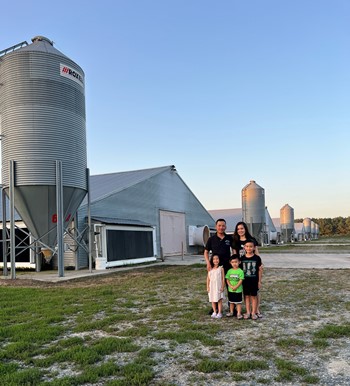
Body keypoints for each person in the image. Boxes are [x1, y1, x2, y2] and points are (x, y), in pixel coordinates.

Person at [232, 221, 263, 318]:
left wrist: (260, 264)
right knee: (246, 294)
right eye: (238, 229)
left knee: (255, 293)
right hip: (242, 269)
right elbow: (234, 256)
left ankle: (256, 310)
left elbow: (257, 253)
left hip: (253, 268)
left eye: (242, 228)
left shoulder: (251, 239)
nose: (240, 230)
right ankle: (248, 311)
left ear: (245, 229)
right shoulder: (235, 241)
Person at [204, 218, 233, 314]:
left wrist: (235, 263)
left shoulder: (229, 238)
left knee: (229, 286)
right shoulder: (211, 239)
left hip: (227, 266)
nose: (221, 227)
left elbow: (234, 250)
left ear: (226, 227)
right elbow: (206, 251)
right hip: (215, 268)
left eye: (223, 226)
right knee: (215, 287)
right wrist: (208, 262)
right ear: (216, 227)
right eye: (219, 225)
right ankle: (215, 308)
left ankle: (232, 307)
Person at [240, 240, 262, 320]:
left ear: (254, 248)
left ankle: (253, 312)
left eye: (251, 246)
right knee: (246, 296)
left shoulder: (257, 258)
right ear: (244, 248)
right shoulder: (242, 258)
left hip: (254, 281)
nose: (249, 248)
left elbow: (260, 270)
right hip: (245, 281)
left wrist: (259, 281)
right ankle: (248, 312)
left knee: (254, 296)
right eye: (247, 246)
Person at [225, 255, 244, 319]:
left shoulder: (240, 271)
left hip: (238, 290)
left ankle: (239, 313)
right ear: (230, 263)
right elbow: (227, 279)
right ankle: (231, 312)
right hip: (230, 289)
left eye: (236, 262)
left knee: (238, 302)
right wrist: (230, 286)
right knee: (231, 301)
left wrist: (236, 286)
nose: (234, 264)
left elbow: (241, 280)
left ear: (239, 262)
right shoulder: (229, 271)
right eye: (232, 262)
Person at [207, 254, 225, 319]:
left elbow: (223, 278)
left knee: (219, 299)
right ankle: (214, 311)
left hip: (218, 286)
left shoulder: (221, 268)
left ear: (219, 260)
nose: (215, 260)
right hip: (212, 286)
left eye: (217, 259)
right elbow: (208, 278)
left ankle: (219, 312)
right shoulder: (210, 269)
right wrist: (208, 287)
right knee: (213, 299)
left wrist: (223, 286)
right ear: (212, 260)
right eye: (214, 259)